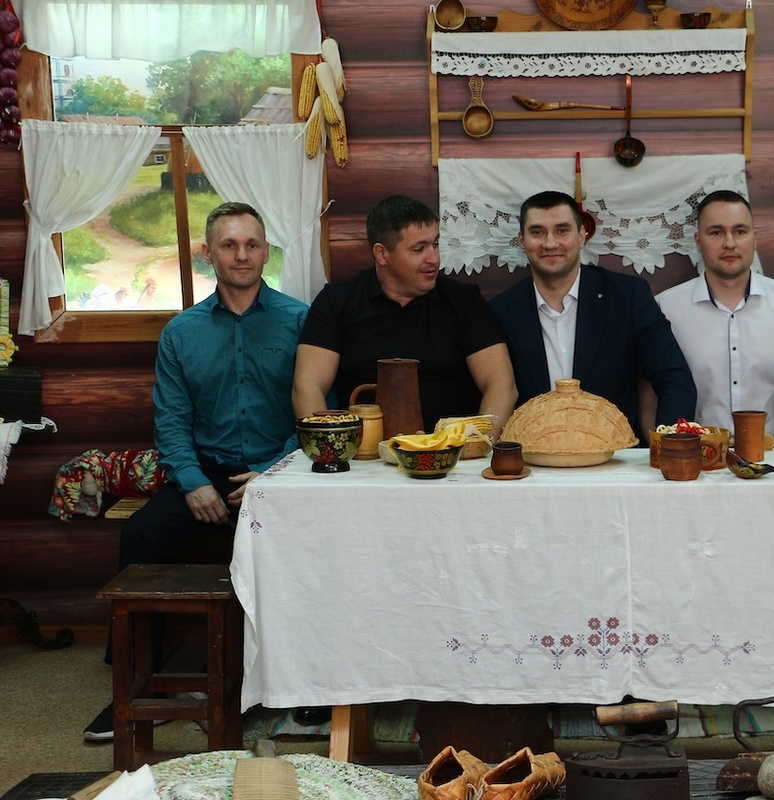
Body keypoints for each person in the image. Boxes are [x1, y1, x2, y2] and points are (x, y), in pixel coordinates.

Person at [85, 202, 309, 742]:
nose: (242, 255)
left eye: (252, 244)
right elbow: (171, 419)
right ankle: (136, 685)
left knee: (315, 546)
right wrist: (193, 483)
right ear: (209, 254)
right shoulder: (181, 333)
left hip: (280, 471)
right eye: (229, 245)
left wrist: (273, 474)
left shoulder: (301, 321)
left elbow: (315, 412)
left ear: (267, 251)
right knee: (141, 535)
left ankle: (305, 687)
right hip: (207, 474)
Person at [292, 195, 517, 433]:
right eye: (419, 249)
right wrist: (329, 447)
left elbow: (502, 385)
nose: (433, 259)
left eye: (435, 244)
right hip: (363, 450)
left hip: (453, 449)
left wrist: (479, 444)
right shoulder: (337, 301)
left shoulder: (464, 301)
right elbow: (307, 386)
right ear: (381, 254)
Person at [490, 190, 696, 441]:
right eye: (537, 232)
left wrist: (672, 448)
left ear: (581, 236)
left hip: (617, 457)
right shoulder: (500, 311)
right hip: (531, 459)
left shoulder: (628, 296)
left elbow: (674, 377)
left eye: (562, 230)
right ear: (522, 241)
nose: (550, 243)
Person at [653, 190, 774, 446]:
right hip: (695, 456)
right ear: (698, 241)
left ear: (754, 238)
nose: (729, 243)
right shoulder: (667, 308)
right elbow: (650, 393)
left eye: (740, 231)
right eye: (716, 232)